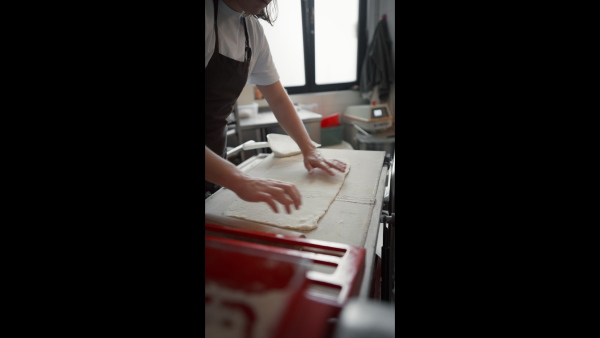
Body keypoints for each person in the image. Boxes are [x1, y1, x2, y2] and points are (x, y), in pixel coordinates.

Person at [205, 0, 346, 214]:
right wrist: (239, 180)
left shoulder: (253, 32)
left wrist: (308, 149)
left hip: (213, 163)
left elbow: (278, 98)